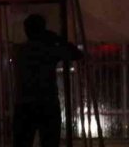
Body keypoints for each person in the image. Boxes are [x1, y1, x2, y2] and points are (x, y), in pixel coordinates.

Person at [12, 14, 83, 147]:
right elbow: (77, 54)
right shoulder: (48, 50)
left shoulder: (20, 50)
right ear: (43, 30)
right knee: (50, 142)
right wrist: (57, 38)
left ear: (26, 31)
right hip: (47, 103)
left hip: (24, 104)